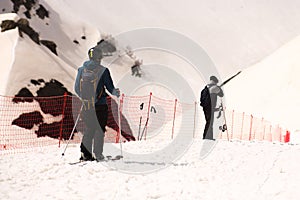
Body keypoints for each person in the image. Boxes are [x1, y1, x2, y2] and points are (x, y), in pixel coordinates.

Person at [74, 47, 120, 161]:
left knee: (89, 129)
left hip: (86, 105)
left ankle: (85, 154)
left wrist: (86, 98)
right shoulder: (103, 70)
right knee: (99, 129)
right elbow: (110, 89)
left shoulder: (81, 70)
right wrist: (116, 92)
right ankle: (98, 154)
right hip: (100, 105)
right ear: (99, 57)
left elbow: (76, 88)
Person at [200, 76, 224, 140]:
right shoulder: (214, 87)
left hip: (205, 107)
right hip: (210, 107)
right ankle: (207, 137)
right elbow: (221, 94)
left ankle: (207, 137)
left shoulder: (205, 88)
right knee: (210, 122)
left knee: (208, 121)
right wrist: (219, 88)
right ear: (215, 81)